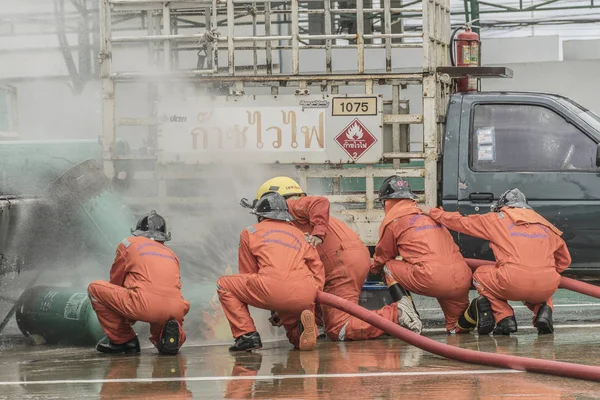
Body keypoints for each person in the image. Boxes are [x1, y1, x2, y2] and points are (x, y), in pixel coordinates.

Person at [253, 177, 422, 340]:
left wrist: (318, 233)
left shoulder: (291, 206)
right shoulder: (297, 219)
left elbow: (319, 202)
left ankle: (397, 314)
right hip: (346, 257)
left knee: (339, 328)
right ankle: (318, 325)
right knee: (313, 294)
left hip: (340, 262)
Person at [418, 188, 572, 335]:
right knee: (544, 278)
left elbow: (462, 223)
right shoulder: (546, 226)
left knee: (480, 275)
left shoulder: (497, 220)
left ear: (503, 207)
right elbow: (564, 261)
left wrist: (433, 212)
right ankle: (544, 311)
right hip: (547, 286)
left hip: (513, 280)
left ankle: (505, 317)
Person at [217, 192, 324, 352]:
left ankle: (246, 335)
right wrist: (313, 294)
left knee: (224, 284)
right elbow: (317, 267)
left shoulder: (250, 232)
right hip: (305, 292)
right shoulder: (300, 235)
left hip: (272, 288)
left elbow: (248, 273)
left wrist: (273, 303)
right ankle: (307, 331)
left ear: (260, 216)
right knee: (293, 328)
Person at [372, 176, 473, 334]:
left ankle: (409, 314)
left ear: (386, 202)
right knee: (456, 327)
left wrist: (373, 268)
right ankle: (476, 310)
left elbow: (383, 255)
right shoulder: (429, 214)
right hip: (461, 278)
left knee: (388, 267)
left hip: (431, 278)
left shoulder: (394, 221)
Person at [88, 210, 191, 355]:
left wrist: (123, 316)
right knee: (163, 324)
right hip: (176, 308)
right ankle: (171, 338)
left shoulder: (128, 243)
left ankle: (124, 340)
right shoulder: (171, 254)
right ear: (163, 236)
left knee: (95, 289)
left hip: (144, 304)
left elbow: (116, 281)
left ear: (139, 231)